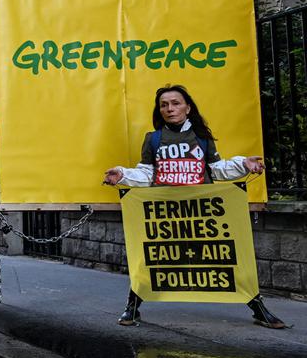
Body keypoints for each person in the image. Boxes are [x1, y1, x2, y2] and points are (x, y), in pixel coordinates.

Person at [103, 84, 284, 329]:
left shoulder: (202, 137)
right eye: (164, 105)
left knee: (225, 258)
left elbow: (216, 170)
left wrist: (244, 164)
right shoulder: (153, 138)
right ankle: (132, 308)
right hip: (167, 212)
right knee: (151, 259)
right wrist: (121, 174)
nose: (170, 108)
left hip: (202, 210)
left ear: (188, 108)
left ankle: (257, 307)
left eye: (176, 103)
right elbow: (147, 174)